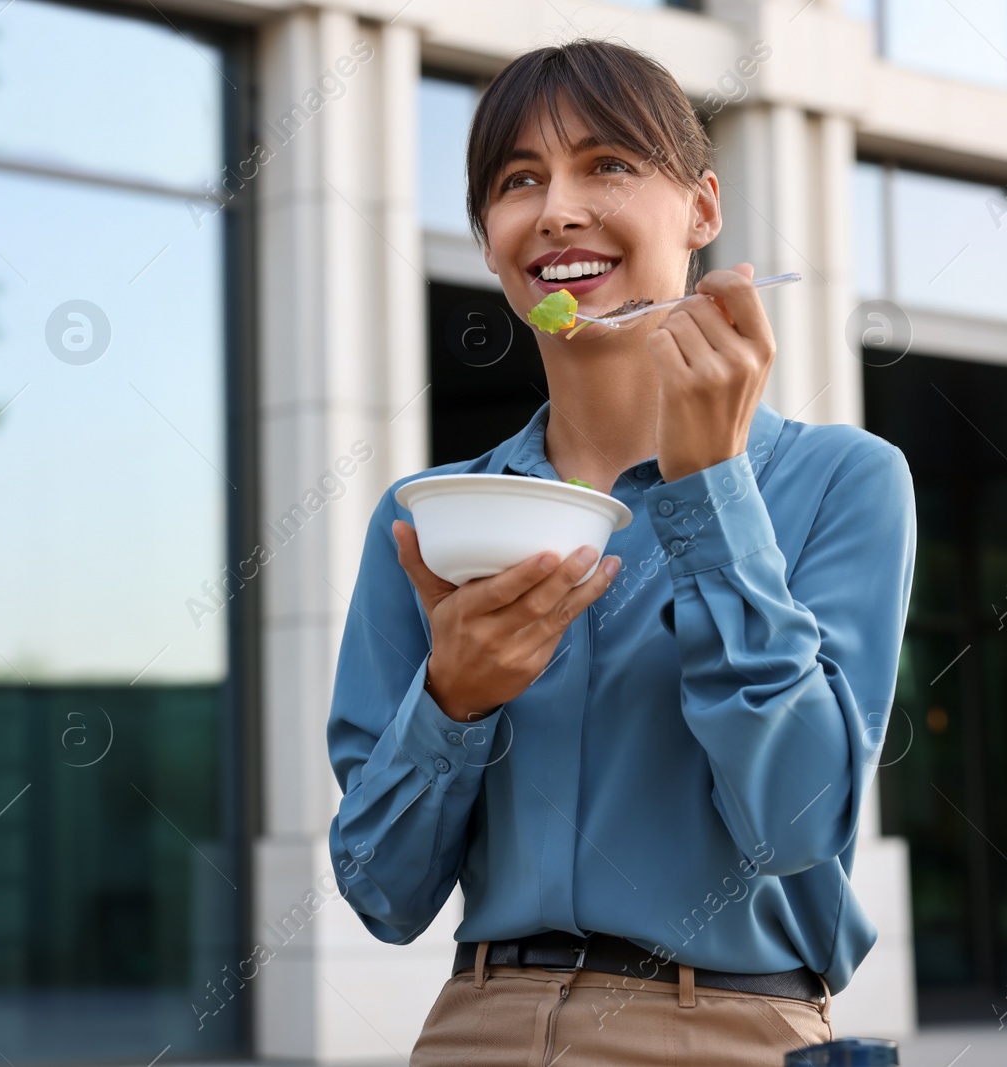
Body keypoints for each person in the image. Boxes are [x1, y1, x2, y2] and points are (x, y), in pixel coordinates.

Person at [325, 38, 918, 1066]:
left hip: (727, 1029)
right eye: (517, 181)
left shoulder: (842, 481)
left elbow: (795, 821)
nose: (555, 209)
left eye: (606, 164)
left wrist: (711, 491)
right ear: (489, 240)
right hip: (474, 1030)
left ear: (700, 208)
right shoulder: (432, 519)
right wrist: (452, 702)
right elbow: (381, 889)